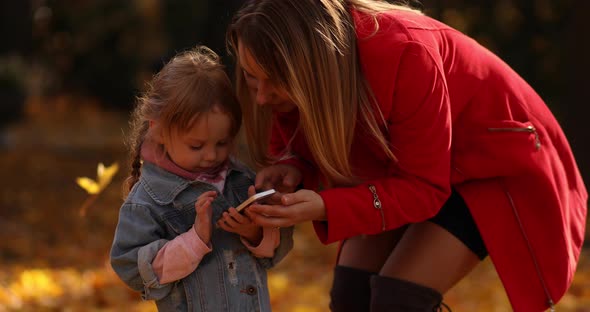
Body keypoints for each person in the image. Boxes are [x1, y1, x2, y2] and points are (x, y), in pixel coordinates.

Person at [226, 1, 588, 311]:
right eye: (251, 78)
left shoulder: (406, 52)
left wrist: (325, 206)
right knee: (351, 294)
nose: (260, 97)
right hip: (407, 165)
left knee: (398, 299)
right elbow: (296, 136)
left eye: (273, 82)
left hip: (491, 163)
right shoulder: (300, 70)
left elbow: (424, 188)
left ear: (313, 68)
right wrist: (291, 167)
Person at [109, 46, 293, 312]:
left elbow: (274, 254)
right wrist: (194, 241)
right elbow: (131, 268)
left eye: (222, 143)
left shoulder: (241, 181)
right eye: (196, 146)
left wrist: (254, 232)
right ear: (158, 130)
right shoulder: (147, 201)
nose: (210, 156)